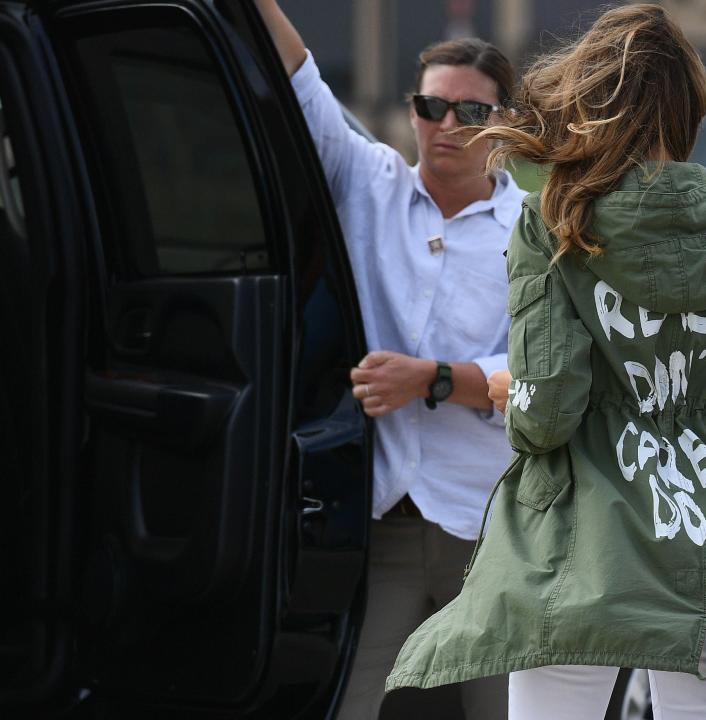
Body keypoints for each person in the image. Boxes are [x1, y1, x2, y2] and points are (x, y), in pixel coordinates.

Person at [386, 5, 706, 719]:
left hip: (579, 548)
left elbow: (548, 413)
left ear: (591, 100)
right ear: (688, 105)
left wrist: (503, 391)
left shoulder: (556, 217)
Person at [253, 2, 524, 718]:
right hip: (391, 521)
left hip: (497, 529)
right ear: (413, 111)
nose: (447, 124)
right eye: (431, 105)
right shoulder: (370, 184)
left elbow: (543, 374)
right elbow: (297, 72)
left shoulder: (536, 232)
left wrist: (429, 378)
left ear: (506, 123)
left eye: (470, 110)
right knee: (350, 705)